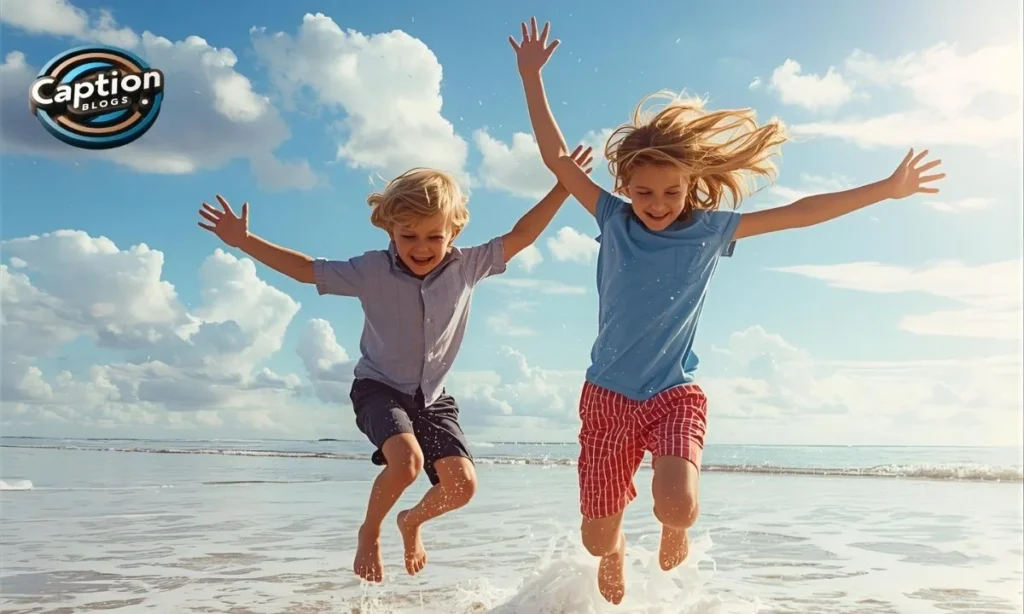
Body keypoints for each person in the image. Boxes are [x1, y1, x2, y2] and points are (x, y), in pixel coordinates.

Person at [509, 17, 945, 605]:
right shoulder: (612, 219)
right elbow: (558, 157)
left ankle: (668, 524)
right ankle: (615, 549)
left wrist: (884, 189)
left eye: (670, 192)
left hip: (672, 393)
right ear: (625, 185)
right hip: (607, 396)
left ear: (693, 184)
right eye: (643, 192)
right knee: (595, 542)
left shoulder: (712, 232)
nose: (655, 204)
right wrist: (531, 77)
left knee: (679, 505)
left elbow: (802, 213)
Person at [196, 148, 595, 583]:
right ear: (390, 229)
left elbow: (523, 234)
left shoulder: (469, 266)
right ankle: (370, 532)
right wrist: (245, 241)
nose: (421, 247)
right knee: (405, 463)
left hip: (433, 398)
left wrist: (563, 185)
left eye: (433, 236)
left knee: (462, 486)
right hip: (378, 388)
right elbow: (306, 270)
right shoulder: (370, 270)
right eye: (409, 236)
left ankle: (412, 522)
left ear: (454, 230)